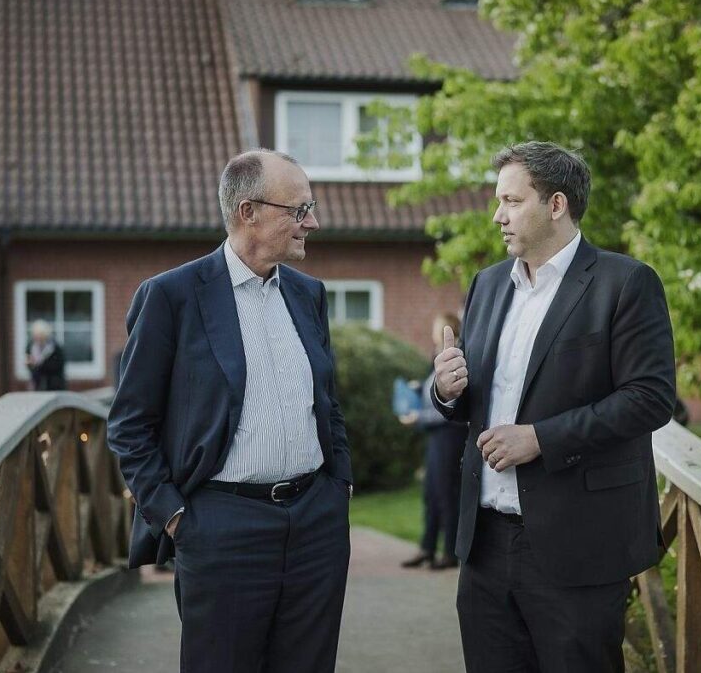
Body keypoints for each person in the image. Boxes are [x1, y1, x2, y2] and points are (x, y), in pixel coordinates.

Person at [432, 141, 676, 672]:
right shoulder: (488, 284)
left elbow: (651, 398)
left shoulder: (626, 283)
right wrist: (446, 391)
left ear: (557, 205)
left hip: (580, 543)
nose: (498, 215)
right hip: (486, 544)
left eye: (512, 201)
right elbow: (477, 399)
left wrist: (540, 438)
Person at [107, 149, 353, 673]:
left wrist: (340, 486)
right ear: (248, 212)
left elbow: (326, 403)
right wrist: (174, 516)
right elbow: (129, 425)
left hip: (316, 526)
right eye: (299, 209)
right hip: (221, 528)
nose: (314, 222)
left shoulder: (309, 294)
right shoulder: (171, 296)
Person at [401, 312, 467, 570]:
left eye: (437, 327)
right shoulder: (436, 358)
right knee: (430, 493)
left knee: (447, 494)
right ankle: (427, 548)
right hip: (436, 439)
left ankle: (450, 552)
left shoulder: (457, 357)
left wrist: (419, 418)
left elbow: (452, 406)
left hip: (450, 438)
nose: (432, 331)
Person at [25, 319, 66, 391]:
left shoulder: (54, 348)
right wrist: (30, 364)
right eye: (36, 336)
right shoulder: (31, 347)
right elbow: (31, 368)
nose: (38, 339)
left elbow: (57, 366)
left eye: (41, 336)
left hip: (54, 385)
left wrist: (38, 364)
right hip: (37, 384)